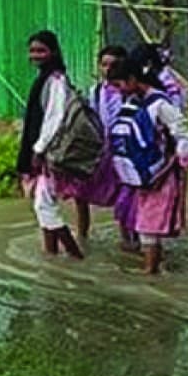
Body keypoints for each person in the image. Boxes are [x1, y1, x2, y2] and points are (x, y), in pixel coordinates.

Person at [107, 45, 188, 274]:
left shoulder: (160, 104)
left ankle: (150, 272)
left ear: (133, 79)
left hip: (163, 172)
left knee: (149, 223)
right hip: (144, 172)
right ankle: (152, 267)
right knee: (147, 221)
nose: (118, 91)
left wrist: (181, 163)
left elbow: (183, 134)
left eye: (119, 85)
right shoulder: (135, 102)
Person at [17, 30, 84, 259]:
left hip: (49, 152)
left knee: (44, 206)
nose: (35, 55)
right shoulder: (44, 78)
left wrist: (39, 149)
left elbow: (54, 117)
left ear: (52, 52)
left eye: (41, 50)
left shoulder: (56, 79)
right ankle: (51, 253)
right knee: (44, 203)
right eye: (33, 50)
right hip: (42, 149)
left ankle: (76, 257)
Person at [72, 45, 137, 250]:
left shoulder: (129, 92)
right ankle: (82, 236)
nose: (108, 69)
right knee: (80, 194)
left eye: (113, 64)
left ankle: (128, 240)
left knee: (125, 198)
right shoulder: (97, 90)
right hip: (100, 151)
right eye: (104, 64)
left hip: (122, 152)